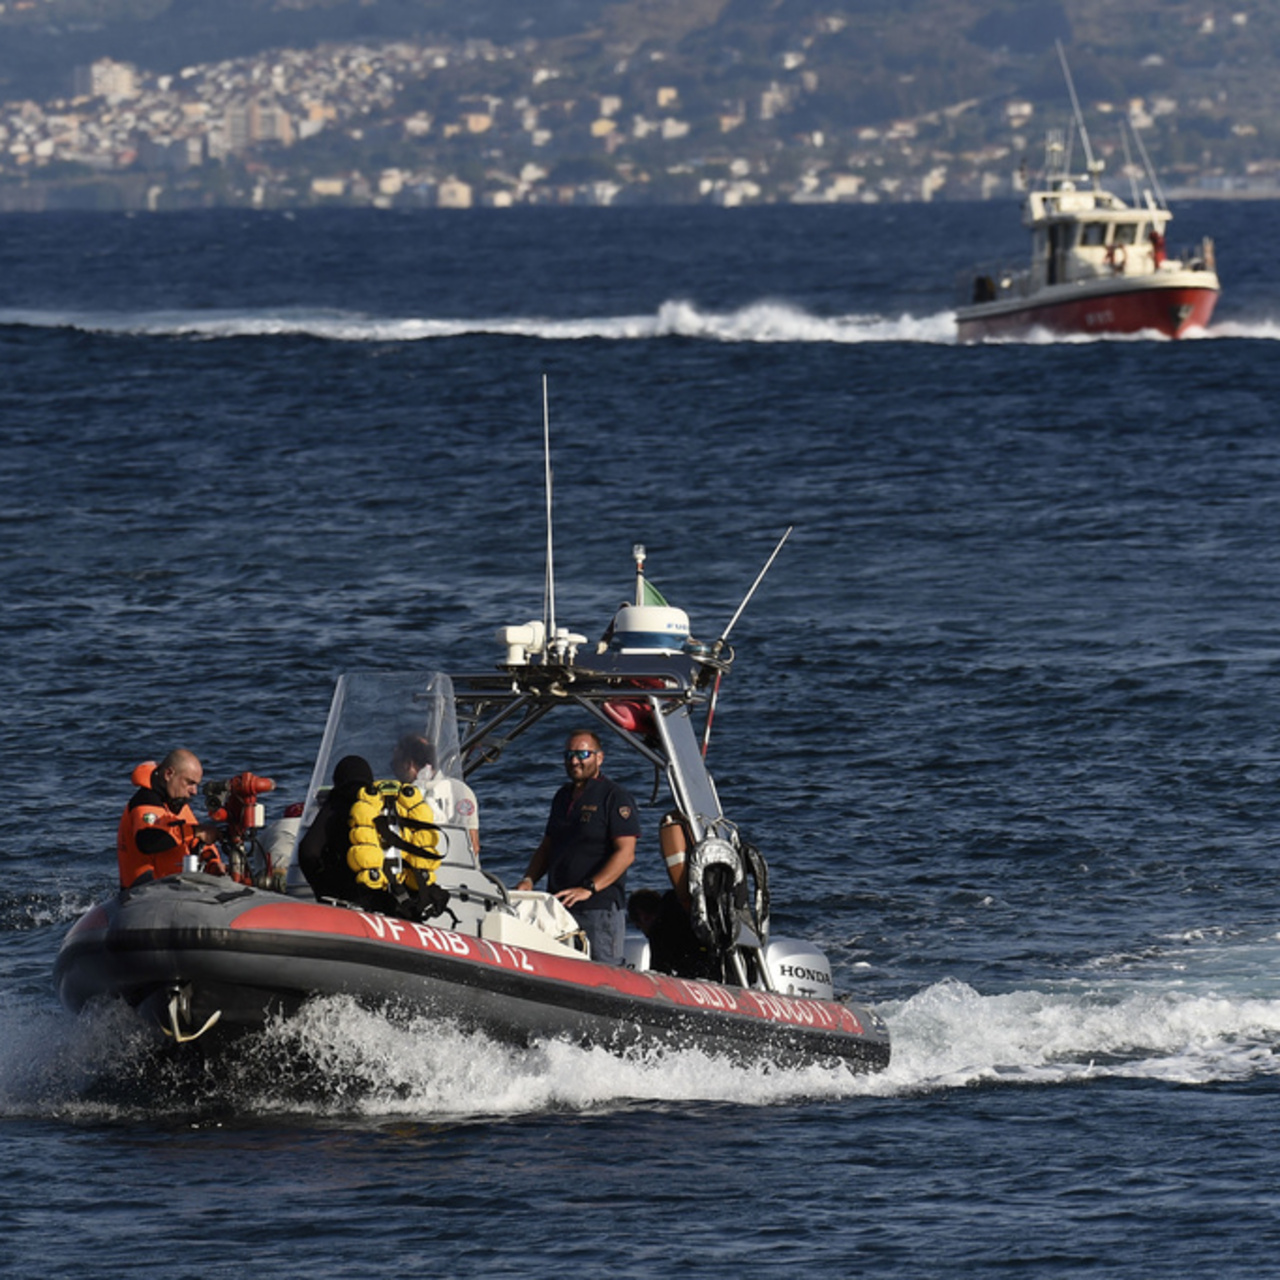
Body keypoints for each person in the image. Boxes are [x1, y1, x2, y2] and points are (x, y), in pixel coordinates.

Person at [516, 729, 639, 965]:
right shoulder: (562, 797)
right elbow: (548, 844)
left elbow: (626, 853)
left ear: (599, 757)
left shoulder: (614, 797)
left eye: (583, 754)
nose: (574, 761)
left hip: (597, 908)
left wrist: (590, 888)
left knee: (603, 973)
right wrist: (529, 879)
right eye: (569, 755)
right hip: (558, 905)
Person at [296, 755, 398, 912]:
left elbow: (309, 851)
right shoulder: (382, 802)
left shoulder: (337, 802)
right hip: (390, 899)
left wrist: (322, 887)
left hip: (348, 900)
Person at [116, 749, 223, 888]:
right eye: (190, 783)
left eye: (196, 785)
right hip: (141, 892)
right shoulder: (145, 800)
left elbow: (196, 840)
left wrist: (213, 863)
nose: (194, 791)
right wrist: (195, 831)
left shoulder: (177, 802)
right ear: (168, 774)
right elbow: (148, 841)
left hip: (174, 887)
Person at [389, 733, 481, 862]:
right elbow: (473, 845)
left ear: (408, 764)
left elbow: (472, 845)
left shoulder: (456, 790)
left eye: (394, 764)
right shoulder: (459, 790)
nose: (393, 771)